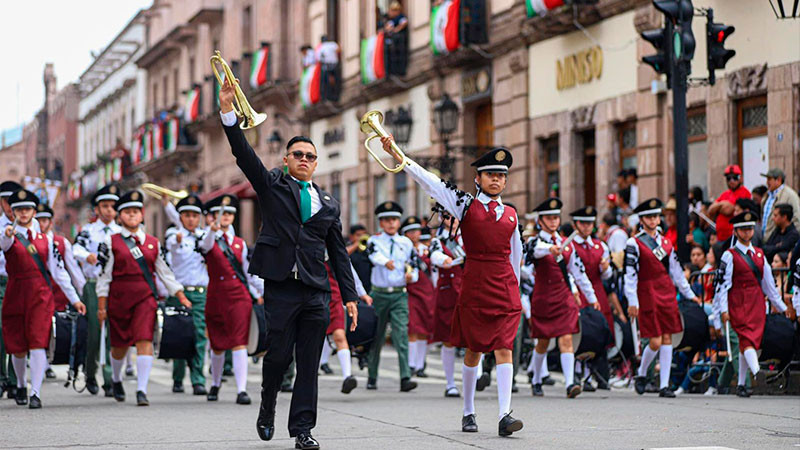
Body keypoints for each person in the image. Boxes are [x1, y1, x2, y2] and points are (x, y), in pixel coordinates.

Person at [219, 79, 358, 449]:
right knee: (278, 356)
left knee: (309, 362)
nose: (304, 160)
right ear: (286, 159)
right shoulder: (271, 185)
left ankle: (302, 430)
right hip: (281, 285)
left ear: (316, 163)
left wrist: (350, 296)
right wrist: (229, 114)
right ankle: (267, 405)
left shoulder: (329, 202)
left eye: (310, 156)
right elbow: (242, 154)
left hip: (315, 290)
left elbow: (339, 252)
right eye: (298, 154)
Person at [382, 138, 523, 437]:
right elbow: (431, 183)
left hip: (505, 286)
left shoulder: (511, 213)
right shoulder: (464, 203)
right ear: (478, 179)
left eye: (501, 176)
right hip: (476, 284)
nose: (496, 180)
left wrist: (517, 291)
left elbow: (516, 254)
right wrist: (401, 157)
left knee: (504, 347)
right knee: (473, 351)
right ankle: (468, 410)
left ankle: (504, 414)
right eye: (491, 175)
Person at [96, 190, 190, 406]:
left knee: (144, 339)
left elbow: (164, 271)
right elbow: (104, 276)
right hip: (119, 298)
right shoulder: (111, 242)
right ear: (120, 216)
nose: (131, 215)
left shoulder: (152, 242)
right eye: (127, 212)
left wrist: (180, 294)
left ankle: (141, 389)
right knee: (119, 347)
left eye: (136, 212)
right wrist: (102, 305)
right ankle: (117, 379)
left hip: (145, 297)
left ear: (142, 215)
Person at [1, 189, 86, 408]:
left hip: (40, 294)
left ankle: (36, 392)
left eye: (27, 209)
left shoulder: (46, 241)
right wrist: (7, 234)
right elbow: (4, 244)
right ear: (14, 212)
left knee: (38, 341)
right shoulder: (9, 234)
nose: (23, 213)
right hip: (16, 291)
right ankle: (21, 384)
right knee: (18, 345)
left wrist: (75, 299)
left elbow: (59, 272)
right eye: (18, 209)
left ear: (34, 212)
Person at [625, 198, 699, 398]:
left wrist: (690, 294)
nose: (653, 220)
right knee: (655, 340)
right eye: (649, 217)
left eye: (656, 216)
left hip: (666, 290)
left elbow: (676, 272)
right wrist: (632, 301)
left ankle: (664, 385)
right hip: (647, 291)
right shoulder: (634, 243)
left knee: (668, 338)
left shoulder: (666, 242)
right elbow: (630, 275)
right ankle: (641, 373)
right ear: (641, 220)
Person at [713, 211, 791, 397]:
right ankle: (757, 372)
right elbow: (722, 286)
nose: (747, 233)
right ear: (736, 231)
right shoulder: (729, 255)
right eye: (743, 229)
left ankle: (741, 384)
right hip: (737, 302)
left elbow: (769, 285)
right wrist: (722, 310)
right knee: (746, 339)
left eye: (750, 229)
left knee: (748, 343)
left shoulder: (760, 254)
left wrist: (781, 306)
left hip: (756, 302)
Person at [528, 199, 599, 399]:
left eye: (556, 218)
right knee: (543, 342)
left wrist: (591, 296)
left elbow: (578, 272)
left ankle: (570, 383)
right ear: (540, 221)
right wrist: (549, 250)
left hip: (564, 296)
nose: (553, 222)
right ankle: (536, 378)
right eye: (548, 218)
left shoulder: (567, 245)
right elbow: (534, 251)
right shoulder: (535, 241)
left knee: (566, 338)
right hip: (543, 297)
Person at [199, 194, 263, 405]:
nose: (224, 217)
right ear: (211, 217)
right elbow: (205, 246)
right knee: (216, 343)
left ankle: (241, 389)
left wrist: (261, 292)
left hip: (238, 296)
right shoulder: (207, 238)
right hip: (216, 296)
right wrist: (212, 229)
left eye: (228, 214)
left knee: (238, 341)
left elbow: (248, 273)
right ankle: (215, 383)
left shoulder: (239, 244)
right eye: (220, 214)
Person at [72, 183, 122, 396]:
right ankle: (91, 373)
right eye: (104, 205)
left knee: (113, 332)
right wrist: (87, 256)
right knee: (95, 332)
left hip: (116, 286)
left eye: (112, 206)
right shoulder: (89, 231)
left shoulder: (121, 232)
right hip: (93, 286)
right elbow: (75, 248)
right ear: (97, 209)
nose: (109, 210)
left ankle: (110, 378)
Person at [365, 201, 419, 392]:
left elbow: (414, 264)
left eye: (394, 219)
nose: (391, 223)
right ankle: (372, 375)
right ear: (381, 223)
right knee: (377, 336)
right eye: (387, 220)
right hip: (379, 293)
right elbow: (373, 255)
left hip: (399, 294)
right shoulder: (374, 240)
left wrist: (411, 275)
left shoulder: (406, 243)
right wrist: (385, 261)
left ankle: (405, 377)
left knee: (401, 334)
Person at [570, 206, 622, 391]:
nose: (586, 227)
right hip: (578, 291)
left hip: (597, 290)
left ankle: (599, 374)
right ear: (576, 224)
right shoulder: (571, 245)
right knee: (582, 332)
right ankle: (579, 375)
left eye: (589, 223)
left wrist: (606, 268)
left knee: (601, 331)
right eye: (583, 223)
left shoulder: (601, 246)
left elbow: (608, 276)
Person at [163, 195, 209, 396]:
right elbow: (172, 245)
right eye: (186, 215)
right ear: (180, 217)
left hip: (200, 294)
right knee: (178, 334)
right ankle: (177, 378)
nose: (191, 219)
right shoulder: (174, 235)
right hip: (179, 291)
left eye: (194, 215)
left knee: (199, 336)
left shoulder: (204, 236)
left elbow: (210, 241)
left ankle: (198, 379)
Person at [320, 259, 370, 393]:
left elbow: (348, 271)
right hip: (314, 295)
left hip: (334, 298)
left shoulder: (333, 247)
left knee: (339, 335)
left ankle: (347, 376)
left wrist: (362, 293)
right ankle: (316, 367)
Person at [429, 212, 465, 398]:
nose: (451, 220)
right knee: (448, 339)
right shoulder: (438, 240)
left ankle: (476, 377)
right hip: (448, 294)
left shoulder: (469, 236)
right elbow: (434, 255)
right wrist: (444, 260)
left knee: (476, 337)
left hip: (469, 290)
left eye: (454, 216)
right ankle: (450, 383)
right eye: (447, 217)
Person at [35, 204, 86, 313]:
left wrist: (81, 295)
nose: (41, 225)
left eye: (44, 220)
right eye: (38, 221)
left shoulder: (62, 242)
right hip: (36, 297)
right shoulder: (29, 242)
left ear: (51, 223)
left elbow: (74, 271)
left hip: (59, 299)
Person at [402, 215, 435, 377]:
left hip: (428, 293)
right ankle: (411, 364)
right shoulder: (403, 248)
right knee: (413, 328)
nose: (414, 234)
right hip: (411, 292)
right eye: (410, 231)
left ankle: (421, 365)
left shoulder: (427, 249)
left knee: (425, 329)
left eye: (416, 231)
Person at [0, 180, 23, 397]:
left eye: (13, 201)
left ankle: (16, 380)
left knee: (18, 331)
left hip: (21, 283)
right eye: (6, 201)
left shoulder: (29, 227)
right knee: (0, 330)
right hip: (1, 281)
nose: (9, 205)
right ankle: (1, 378)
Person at [708, 165, 751, 243]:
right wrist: (722, 204)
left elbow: (728, 210)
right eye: (729, 178)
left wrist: (718, 206)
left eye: (735, 178)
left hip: (734, 238)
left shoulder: (745, 192)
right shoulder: (724, 194)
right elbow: (710, 210)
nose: (732, 181)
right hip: (720, 237)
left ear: (741, 178)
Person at [761, 168, 800, 241]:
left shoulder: (790, 195)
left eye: (769, 179)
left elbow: (797, 219)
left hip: (779, 243)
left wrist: (788, 240)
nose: (767, 182)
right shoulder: (767, 195)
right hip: (766, 241)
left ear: (778, 180)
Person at [346, 224, 372, 293]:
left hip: (368, 288)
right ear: (351, 237)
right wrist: (356, 244)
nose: (361, 237)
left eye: (363, 235)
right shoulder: (349, 248)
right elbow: (342, 255)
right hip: (353, 289)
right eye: (358, 235)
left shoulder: (368, 250)